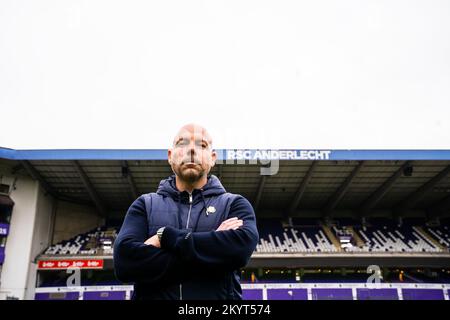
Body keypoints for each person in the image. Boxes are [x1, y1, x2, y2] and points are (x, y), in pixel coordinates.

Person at [113, 124, 259, 300]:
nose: (191, 150)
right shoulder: (145, 205)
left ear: (213, 158)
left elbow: (240, 250)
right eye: (182, 143)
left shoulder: (234, 204)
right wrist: (211, 249)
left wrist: (165, 236)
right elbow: (125, 263)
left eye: (202, 145)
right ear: (169, 156)